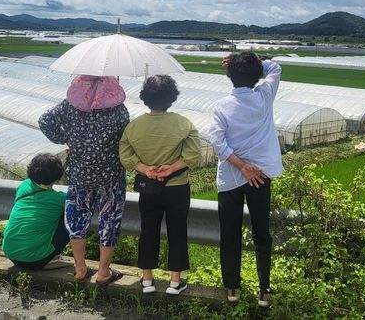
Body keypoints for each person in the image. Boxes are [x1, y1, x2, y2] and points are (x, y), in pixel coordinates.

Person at [205, 52, 283, 307]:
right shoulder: (264, 95)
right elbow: (275, 68)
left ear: (229, 76)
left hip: (230, 179)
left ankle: (232, 288)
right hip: (260, 177)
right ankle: (264, 290)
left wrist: (241, 166)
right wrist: (256, 62)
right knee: (262, 233)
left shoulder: (221, 106)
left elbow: (217, 142)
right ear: (257, 74)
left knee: (230, 234)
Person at [39, 75, 129, 285]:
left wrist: (64, 138)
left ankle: (80, 267)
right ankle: (104, 271)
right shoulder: (118, 109)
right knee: (109, 221)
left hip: (80, 174)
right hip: (111, 176)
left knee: (77, 219)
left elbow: (45, 121)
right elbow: (126, 138)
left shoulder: (70, 106)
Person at [119, 75, 201, 295]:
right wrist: (171, 168)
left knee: (148, 229)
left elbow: (125, 155)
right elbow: (193, 155)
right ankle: (175, 281)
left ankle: (147, 280)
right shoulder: (184, 123)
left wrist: (146, 169)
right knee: (177, 230)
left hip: (149, 187)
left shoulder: (134, 126)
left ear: (145, 97)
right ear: (172, 97)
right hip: (177, 187)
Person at [2, 153, 69, 270]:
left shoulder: (24, 185)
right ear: (57, 175)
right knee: (71, 215)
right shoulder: (60, 199)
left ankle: (44, 251)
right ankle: (50, 257)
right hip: (36, 260)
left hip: (10, 253)